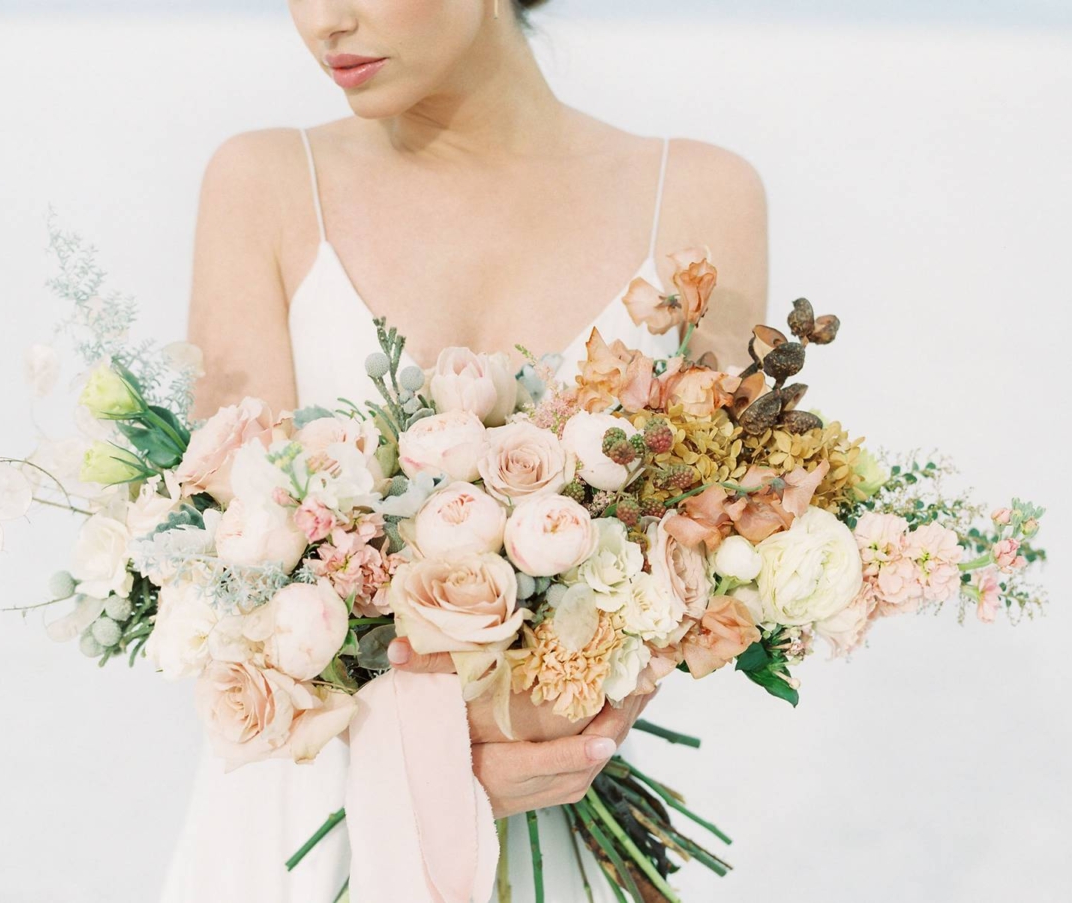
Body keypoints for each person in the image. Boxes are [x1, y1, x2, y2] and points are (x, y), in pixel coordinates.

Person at [160, 1, 767, 900]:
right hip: (306, 829)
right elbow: (230, 558)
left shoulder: (701, 196)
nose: (325, 21)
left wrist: (583, 714)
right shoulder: (265, 183)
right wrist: (428, 747)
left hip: (554, 808)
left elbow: (727, 537)